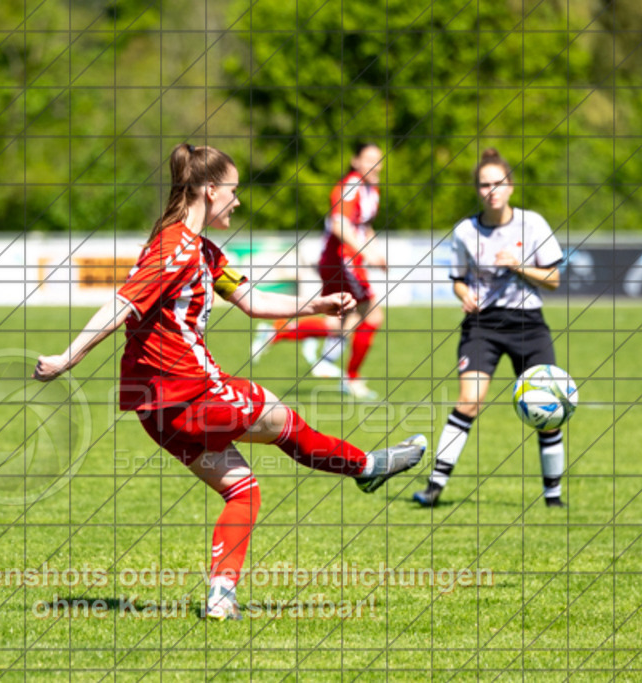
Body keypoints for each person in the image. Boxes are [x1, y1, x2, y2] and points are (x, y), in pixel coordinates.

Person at [34, 143, 426, 621]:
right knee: (280, 415)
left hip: (154, 410)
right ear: (209, 189)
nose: (238, 201)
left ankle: (221, 598)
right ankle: (366, 467)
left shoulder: (204, 251)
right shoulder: (173, 246)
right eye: (234, 191)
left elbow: (253, 300)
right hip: (190, 392)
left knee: (242, 489)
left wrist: (315, 305)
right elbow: (121, 305)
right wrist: (67, 358)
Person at [413, 148, 566, 509]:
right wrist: (464, 295)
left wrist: (519, 267)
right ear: (477, 190)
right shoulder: (466, 231)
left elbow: (554, 280)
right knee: (469, 401)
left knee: (548, 409)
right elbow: (458, 281)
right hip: (482, 326)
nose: (491, 191)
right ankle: (433, 488)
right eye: (484, 185)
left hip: (529, 325)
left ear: (510, 186)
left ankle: (553, 498)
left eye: (498, 183)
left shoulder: (534, 225)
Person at [314, 142, 386, 398]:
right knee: (372, 316)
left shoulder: (371, 190)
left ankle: (282, 331)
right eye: (368, 159)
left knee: (342, 318)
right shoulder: (351, 186)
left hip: (347, 261)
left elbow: (364, 227)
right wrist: (367, 253)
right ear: (356, 161)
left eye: (378, 160)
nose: (374, 165)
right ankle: (351, 378)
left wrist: (376, 252)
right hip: (341, 260)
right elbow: (339, 226)